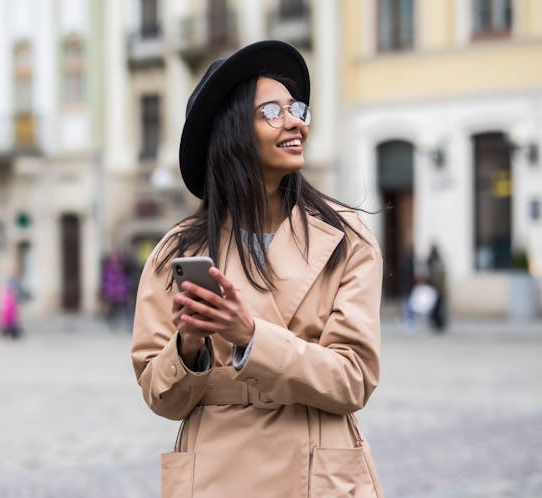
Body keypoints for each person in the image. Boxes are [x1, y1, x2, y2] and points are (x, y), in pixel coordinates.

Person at [130, 41, 384, 497]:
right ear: (231, 133)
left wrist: (251, 336)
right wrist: (189, 347)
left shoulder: (346, 239)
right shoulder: (177, 252)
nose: (295, 123)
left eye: (296, 109)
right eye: (272, 111)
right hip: (215, 472)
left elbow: (353, 380)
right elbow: (160, 397)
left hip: (314, 469)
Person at [426, 244, 448, 332]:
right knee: (436, 307)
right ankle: (437, 322)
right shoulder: (434, 261)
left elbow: (439, 277)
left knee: (437, 307)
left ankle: (438, 323)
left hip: (438, 289)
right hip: (437, 289)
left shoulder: (435, 261)